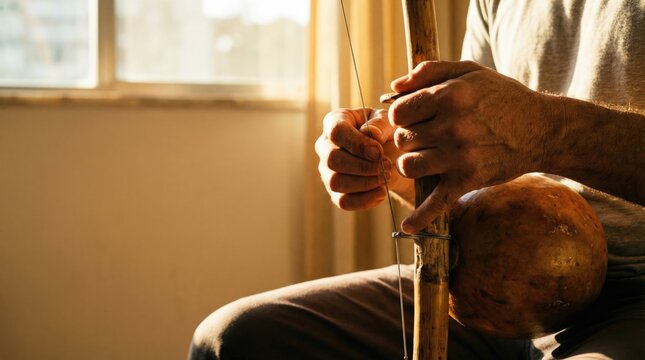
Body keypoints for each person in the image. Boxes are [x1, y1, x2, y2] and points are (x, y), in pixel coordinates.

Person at [189, 1, 644, 359]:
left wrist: (550, 130)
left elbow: (528, 131)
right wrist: (401, 166)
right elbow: (482, 168)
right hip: (481, 290)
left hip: (633, 298)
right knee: (235, 339)